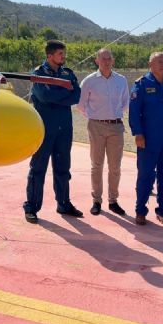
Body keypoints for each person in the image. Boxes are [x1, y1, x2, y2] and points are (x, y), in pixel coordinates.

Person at [23, 40, 82, 223]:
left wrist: (58, 97)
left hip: (64, 128)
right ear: (49, 56)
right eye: (60, 54)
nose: (63, 57)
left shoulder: (68, 73)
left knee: (63, 168)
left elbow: (76, 96)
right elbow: (44, 96)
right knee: (38, 168)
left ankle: (63, 203)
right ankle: (31, 207)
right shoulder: (38, 73)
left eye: (64, 54)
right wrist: (65, 94)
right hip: (44, 128)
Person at [129, 52, 163, 225]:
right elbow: (134, 112)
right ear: (150, 64)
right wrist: (138, 133)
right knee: (145, 176)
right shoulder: (142, 84)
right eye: (160, 61)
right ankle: (140, 211)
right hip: (148, 138)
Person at [77, 48, 129, 216]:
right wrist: (95, 117)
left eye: (109, 58)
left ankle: (113, 201)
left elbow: (125, 103)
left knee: (115, 167)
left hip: (116, 127)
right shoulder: (89, 81)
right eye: (103, 58)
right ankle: (96, 200)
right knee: (96, 165)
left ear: (113, 60)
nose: (106, 61)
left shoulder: (121, 80)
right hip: (96, 126)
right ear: (97, 61)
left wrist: (112, 115)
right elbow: (80, 105)